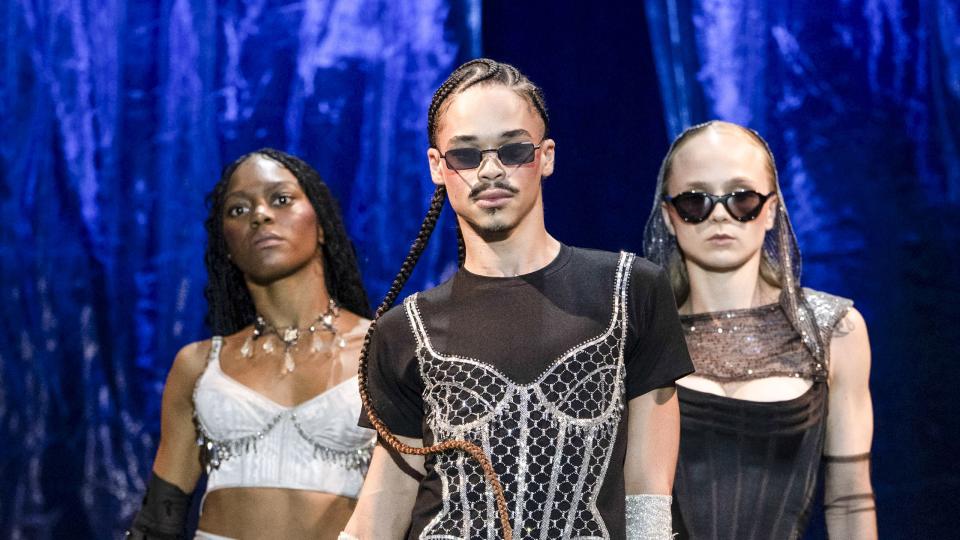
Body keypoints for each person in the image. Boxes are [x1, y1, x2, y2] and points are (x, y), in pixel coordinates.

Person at [340, 58, 694, 540]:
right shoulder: (405, 330)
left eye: (512, 150)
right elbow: (381, 514)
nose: (490, 170)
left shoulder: (630, 290)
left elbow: (649, 493)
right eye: (465, 155)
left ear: (546, 156)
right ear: (437, 167)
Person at [643, 121, 877, 539]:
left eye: (742, 198)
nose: (719, 215)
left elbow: (849, 500)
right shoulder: (639, 336)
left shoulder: (834, 331)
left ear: (770, 210)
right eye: (696, 201)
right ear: (669, 215)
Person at [127, 149, 376, 540]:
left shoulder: (383, 350)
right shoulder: (198, 366)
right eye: (238, 210)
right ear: (226, 244)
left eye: (281, 199)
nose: (260, 215)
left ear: (322, 224)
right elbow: (158, 522)